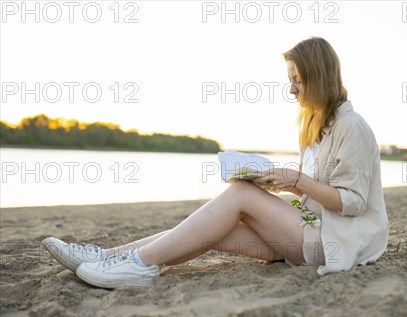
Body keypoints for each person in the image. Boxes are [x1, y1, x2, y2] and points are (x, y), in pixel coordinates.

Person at [42, 37, 389, 288]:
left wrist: (295, 181)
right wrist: (279, 183)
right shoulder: (316, 126)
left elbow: (353, 202)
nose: (292, 90)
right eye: (290, 81)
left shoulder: (351, 127)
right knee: (213, 229)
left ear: (318, 77)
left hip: (333, 243)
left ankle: (137, 265)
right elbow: (316, 195)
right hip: (309, 232)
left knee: (238, 194)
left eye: (297, 81)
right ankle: (108, 257)